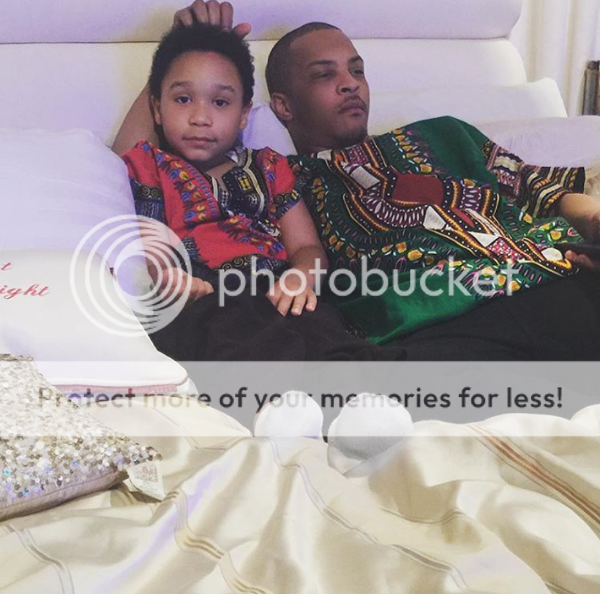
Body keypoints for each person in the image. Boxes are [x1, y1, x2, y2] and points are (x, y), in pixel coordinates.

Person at [115, 1, 600, 360]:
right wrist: (181, 47)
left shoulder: (445, 134)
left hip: (560, 271)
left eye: (357, 70)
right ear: (282, 106)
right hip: (444, 324)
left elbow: (545, 190)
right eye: (324, 74)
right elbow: (127, 163)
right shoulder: (297, 178)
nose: (350, 83)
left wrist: (594, 218)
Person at [118, 20, 405, 361]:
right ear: (157, 108)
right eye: (183, 99)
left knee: (327, 331)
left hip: (277, 289)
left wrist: (301, 277)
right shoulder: (150, 164)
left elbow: (307, 247)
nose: (200, 117)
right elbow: (149, 238)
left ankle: (366, 389)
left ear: (244, 115)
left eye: (220, 102)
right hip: (201, 293)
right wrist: (168, 276)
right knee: (225, 333)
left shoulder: (269, 167)